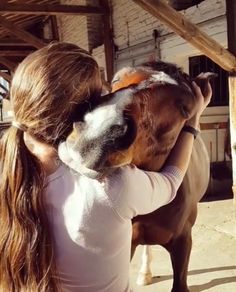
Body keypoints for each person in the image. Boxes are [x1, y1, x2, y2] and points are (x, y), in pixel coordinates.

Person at [0, 42, 212, 292]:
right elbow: (171, 181)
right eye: (100, 94)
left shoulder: (8, 167)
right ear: (89, 112)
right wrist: (193, 121)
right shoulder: (111, 186)